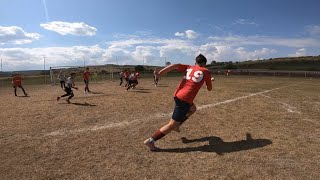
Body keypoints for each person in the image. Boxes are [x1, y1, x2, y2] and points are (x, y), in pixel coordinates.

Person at [144, 54, 213, 151]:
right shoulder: (206, 71)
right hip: (184, 100)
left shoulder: (190, 67)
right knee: (171, 125)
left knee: (193, 109)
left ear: (195, 62)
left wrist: (160, 73)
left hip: (178, 95)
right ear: (204, 64)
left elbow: (175, 65)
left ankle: (178, 124)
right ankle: (150, 141)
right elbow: (209, 89)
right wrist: (209, 81)